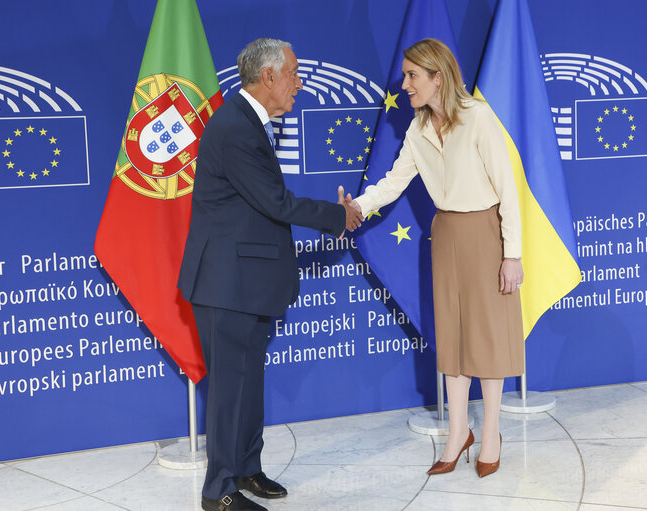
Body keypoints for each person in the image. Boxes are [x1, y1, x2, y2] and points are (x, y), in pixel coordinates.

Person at [178, 38, 363, 511]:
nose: (299, 84)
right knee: (228, 389)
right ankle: (218, 491)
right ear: (269, 77)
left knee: (247, 382)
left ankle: (245, 469)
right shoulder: (236, 127)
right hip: (226, 283)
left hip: (247, 281)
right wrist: (337, 216)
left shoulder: (247, 122)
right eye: (294, 73)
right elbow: (274, 202)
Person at [346, 38, 524, 478]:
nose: (404, 84)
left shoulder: (479, 119)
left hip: (485, 233)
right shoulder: (417, 129)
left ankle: (491, 434)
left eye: (412, 76)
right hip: (445, 236)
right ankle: (458, 431)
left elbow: (508, 190)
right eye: (405, 76)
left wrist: (512, 254)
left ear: (437, 77)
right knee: (454, 335)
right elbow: (392, 183)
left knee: (486, 334)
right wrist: (358, 207)